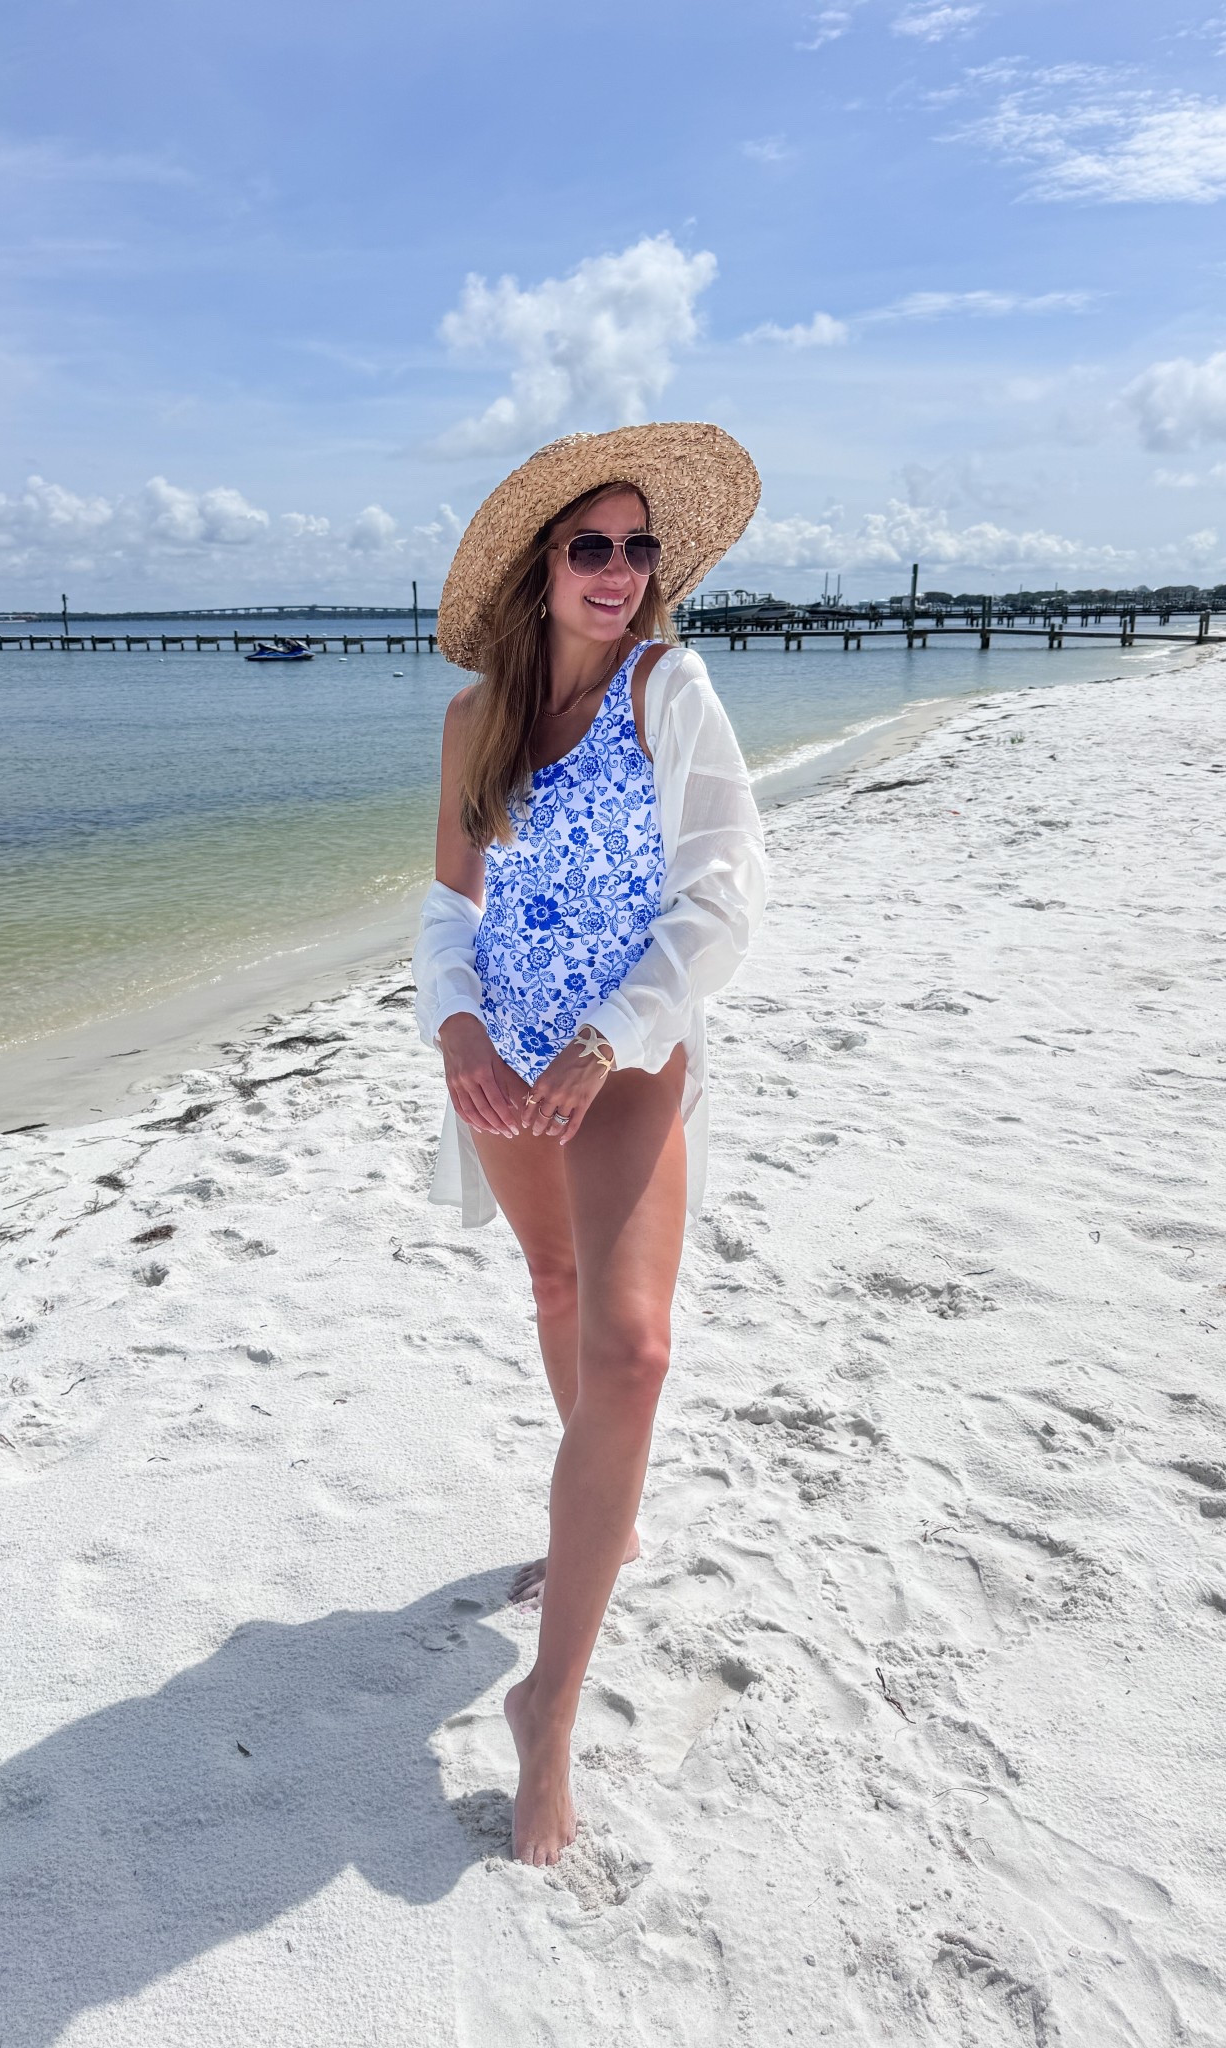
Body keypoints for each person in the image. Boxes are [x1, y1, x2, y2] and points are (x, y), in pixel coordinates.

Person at [413, 424, 769, 1865]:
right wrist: (458, 1039)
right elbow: (449, 914)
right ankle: (598, 1528)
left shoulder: (668, 690)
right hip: (502, 1055)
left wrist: (608, 1040)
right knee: (555, 1295)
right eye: (592, 546)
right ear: (542, 569)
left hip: (621, 1052)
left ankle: (546, 1709)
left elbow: (727, 892)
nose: (620, 571)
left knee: (634, 1348)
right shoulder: (475, 723)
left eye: (639, 548)